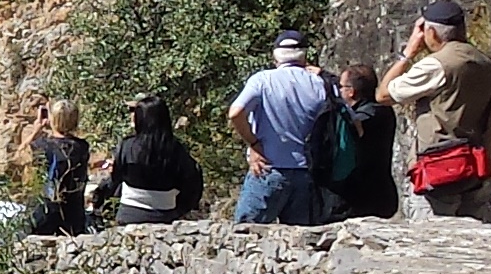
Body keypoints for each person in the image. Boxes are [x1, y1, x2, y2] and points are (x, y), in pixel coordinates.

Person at [386, 0, 491, 220]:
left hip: (439, 166)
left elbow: (383, 95)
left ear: (431, 32)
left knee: (432, 230)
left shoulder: (436, 65)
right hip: (476, 164)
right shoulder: (484, 62)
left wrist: (407, 53)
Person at [225, 29, 334, 225]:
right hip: (306, 172)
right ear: (304, 55)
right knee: (299, 238)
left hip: (267, 168)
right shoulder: (321, 84)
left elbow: (235, 113)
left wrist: (254, 144)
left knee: (246, 233)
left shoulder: (262, 80)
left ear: (275, 56)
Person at [101, 95, 207, 225]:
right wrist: (179, 209)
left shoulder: (127, 147)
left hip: (129, 215)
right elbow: (192, 182)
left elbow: (116, 177)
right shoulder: (176, 150)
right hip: (165, 216)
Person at [331, 64, 402, 221]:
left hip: (364, 195)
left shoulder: (371, 114)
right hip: (378, 191)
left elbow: (355, 126)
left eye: (340, 86)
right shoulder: (382, 109)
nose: (338, 91)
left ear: (351, 91)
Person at [26, 98, 92, 236]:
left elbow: (18, 156)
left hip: (45, 213)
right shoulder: (82, 147)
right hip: (73, 215)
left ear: (52, 119)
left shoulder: (41, 146)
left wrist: (36, 130)